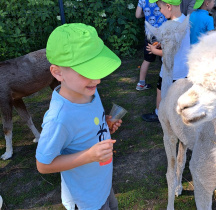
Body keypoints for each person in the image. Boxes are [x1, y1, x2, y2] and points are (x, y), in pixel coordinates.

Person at [35, 23, 122, 209]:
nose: (97, 79)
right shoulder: (59, 119)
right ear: (58, 72)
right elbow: (43, 165)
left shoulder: (90, 91)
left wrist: (104, 125)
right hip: (85, 200)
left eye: (97, 68)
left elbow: (86, 124)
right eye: (86, 71)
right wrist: (90, 155)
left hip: (102, 184)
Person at [142, 0, 190, 122]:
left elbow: (168, 52)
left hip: (170, 70)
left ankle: (159, 114)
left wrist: (154, 50)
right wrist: (161, 44)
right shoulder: (184, 20)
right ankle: (179, 117)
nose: (160, 11)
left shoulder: (172, 26)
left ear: (168, 6)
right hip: (183, 69)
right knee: (180, 94)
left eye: (160, 8)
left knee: (160, 91)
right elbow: (176, 45)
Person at [135, 0, 167, 91]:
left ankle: (141, 83)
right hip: (162, 32)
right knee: (164, 57)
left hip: (150, 33)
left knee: (147, 59)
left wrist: (145, 15)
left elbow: (137, 15)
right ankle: (165, 82)